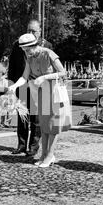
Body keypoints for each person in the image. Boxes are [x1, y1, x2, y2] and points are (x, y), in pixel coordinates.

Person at [9, 33, 68, 168]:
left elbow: (63, 72)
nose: (26, 52)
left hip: (54, 92)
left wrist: (45, 78)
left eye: (28, 49)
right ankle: (44, 154)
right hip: (41, 93)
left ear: (34, 45)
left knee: (53, 126)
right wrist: (14, 85)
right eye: (24, 50)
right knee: (44, 125)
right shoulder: (30, 58)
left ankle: (49, 155)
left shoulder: (49, 54)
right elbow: (24, 77)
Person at [8, 19, 52, 157]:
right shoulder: (18, 44)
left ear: (40, 31)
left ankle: (33, 146)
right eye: (29, 30)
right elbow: (13, 64)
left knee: (35, 119)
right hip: (21, 85)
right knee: (22, 117)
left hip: (38, 86)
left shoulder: (47, 46)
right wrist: (11, 82)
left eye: (33, 31)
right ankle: (21, 145)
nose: (30, 33)